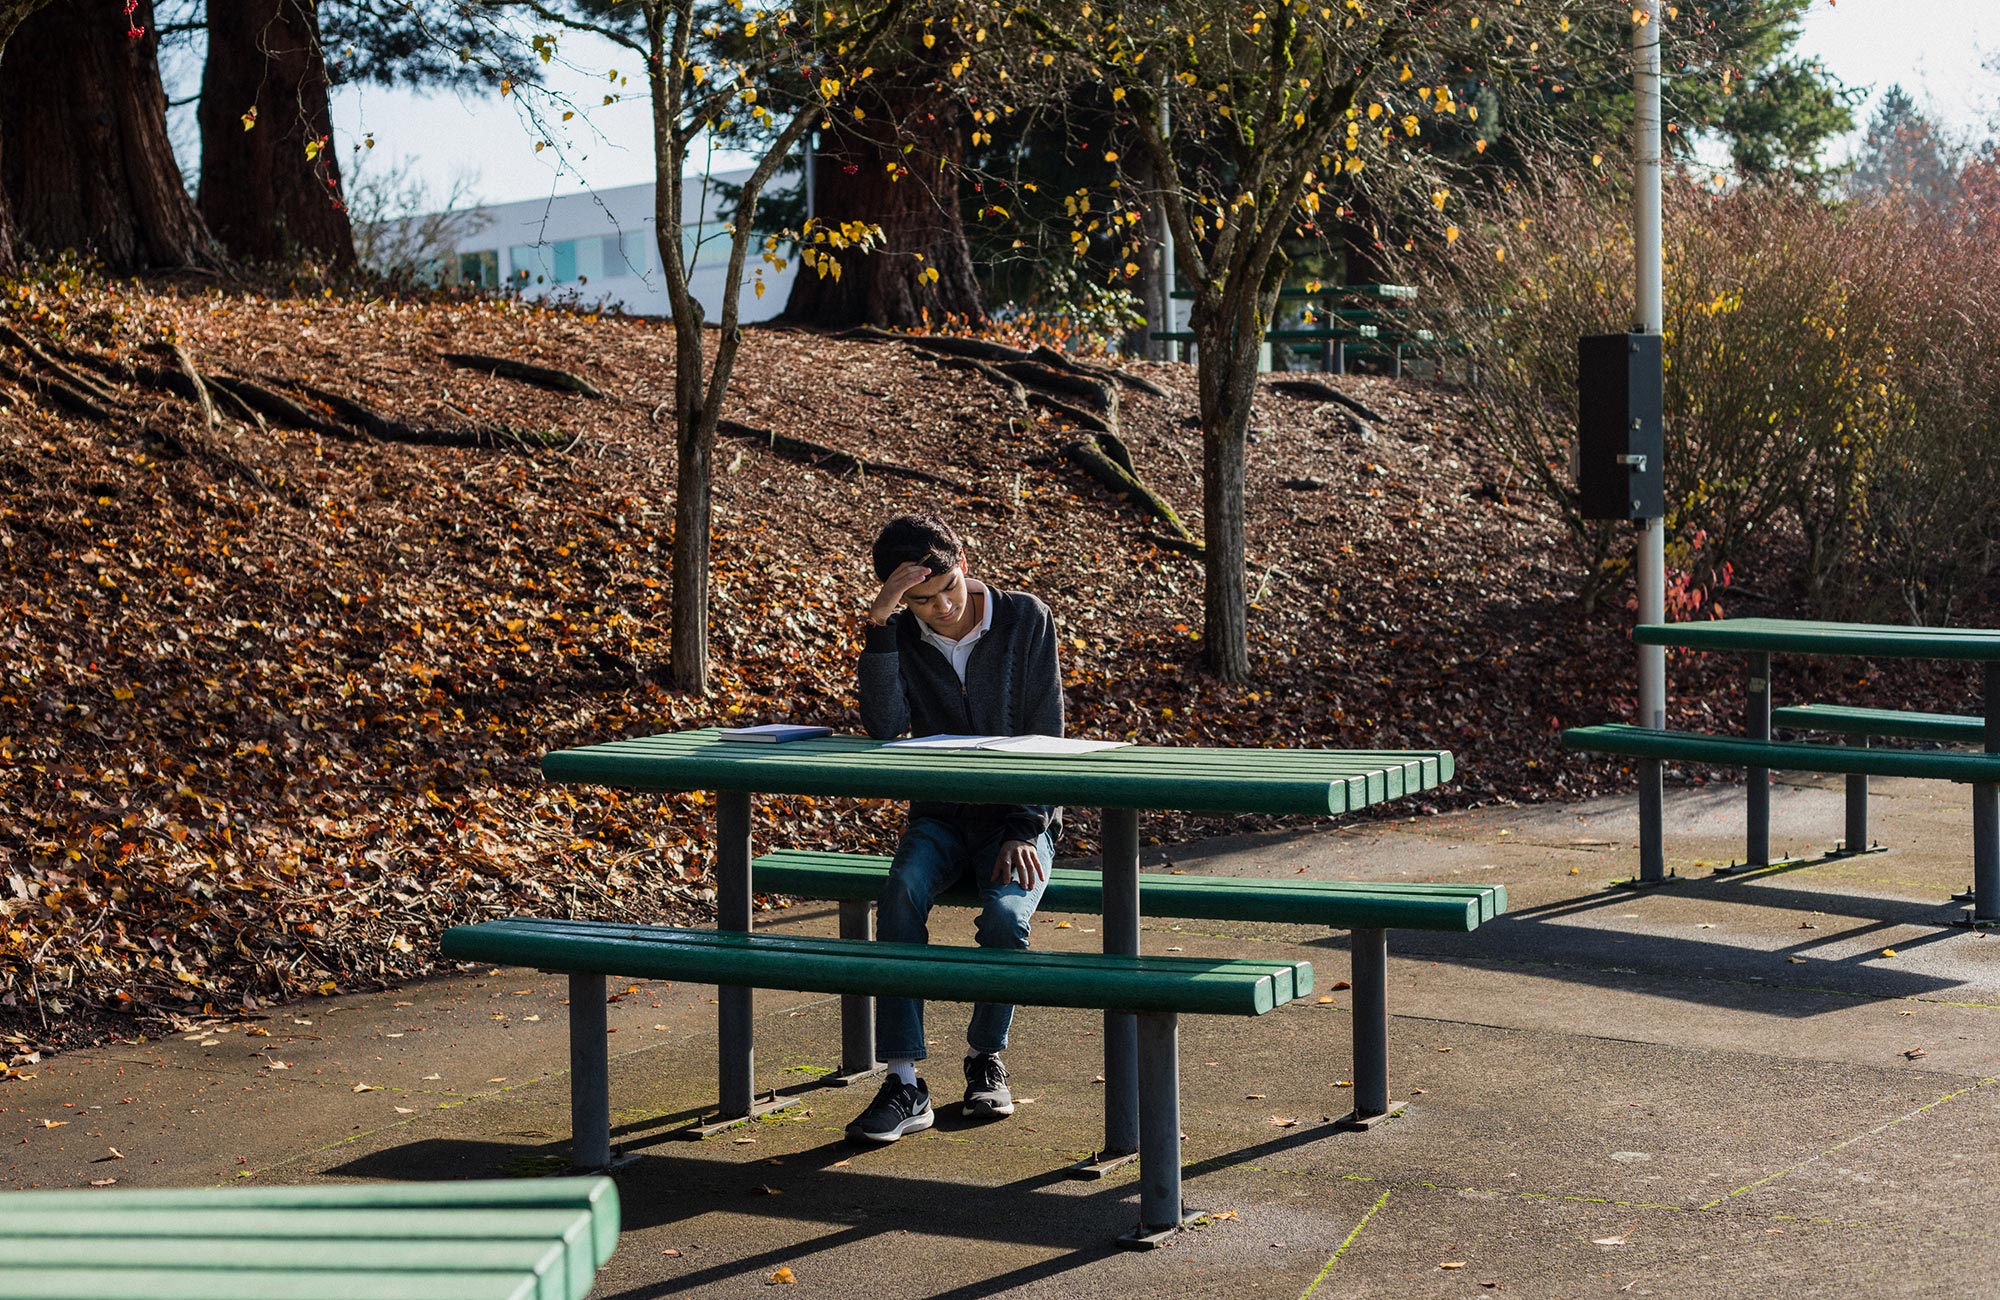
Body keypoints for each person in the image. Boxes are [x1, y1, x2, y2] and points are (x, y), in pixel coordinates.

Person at [845, 511, 1064, 1143]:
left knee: (1005, 917)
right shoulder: (903, 633)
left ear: (963, 563)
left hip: (1019, 820)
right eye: (919, 600)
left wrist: (1027, 825)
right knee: (900, 894)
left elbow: (1044, 732)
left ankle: (985, 1059)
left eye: (947, 588)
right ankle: (905, 1081)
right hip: (940, 814)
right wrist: (879, 624)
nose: (940, 607)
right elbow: (885, 727)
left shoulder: (1025, 619)